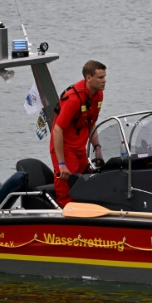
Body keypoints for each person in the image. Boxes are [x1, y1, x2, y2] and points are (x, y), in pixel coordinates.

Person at [50, 60, 106, 207]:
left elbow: (91, 122)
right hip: (64, 147)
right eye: (100, 78)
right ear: (88, 78)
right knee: (67, 186)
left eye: (104, 77)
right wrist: (61, 163)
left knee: (88, 181)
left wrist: (97, 148)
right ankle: (65, 214)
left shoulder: (98, 96)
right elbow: (57, 130)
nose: (104, 81)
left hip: (79, 147)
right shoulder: (73, 99)